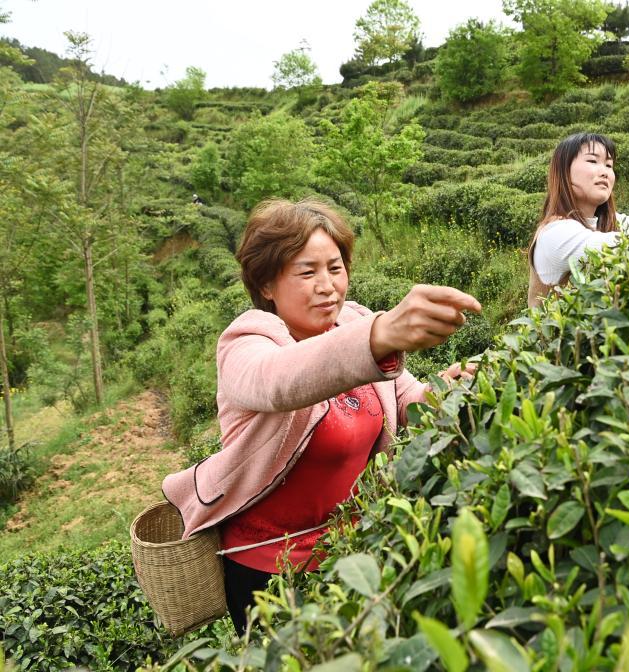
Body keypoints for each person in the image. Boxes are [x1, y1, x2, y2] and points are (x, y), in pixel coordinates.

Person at [161, 198, 480, 635]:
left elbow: (405, 400)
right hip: (268, 568)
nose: (328, 285)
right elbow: (278, 382)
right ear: (267, 284)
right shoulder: (246, 342)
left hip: (350, 550)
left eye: (336, 267)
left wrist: (446, 390)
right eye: (307, 272)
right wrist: (378, 337)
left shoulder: (357, 321)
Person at [527, 132, 629, 308]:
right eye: (593, 161)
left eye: (609, 165)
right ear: (564, 171)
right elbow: (615, 244)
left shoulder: (605, 221)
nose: (605, 172)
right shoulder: (554, 234)